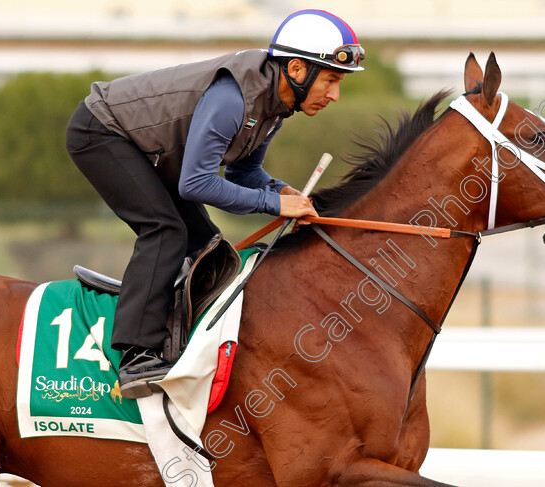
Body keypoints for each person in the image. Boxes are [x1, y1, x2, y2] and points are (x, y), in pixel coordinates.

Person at [65, 9, 365, 399]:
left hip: (149, 149)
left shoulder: (274, 107)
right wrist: (273, 205)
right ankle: (137, 356)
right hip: (100, 131)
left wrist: (281, 191)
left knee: (206, 243)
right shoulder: (232, 99)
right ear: (296, 68)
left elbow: (243, 174)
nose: (334, 95)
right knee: (166, 229)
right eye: (331, 79)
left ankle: (176, 339)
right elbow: (195, 183)